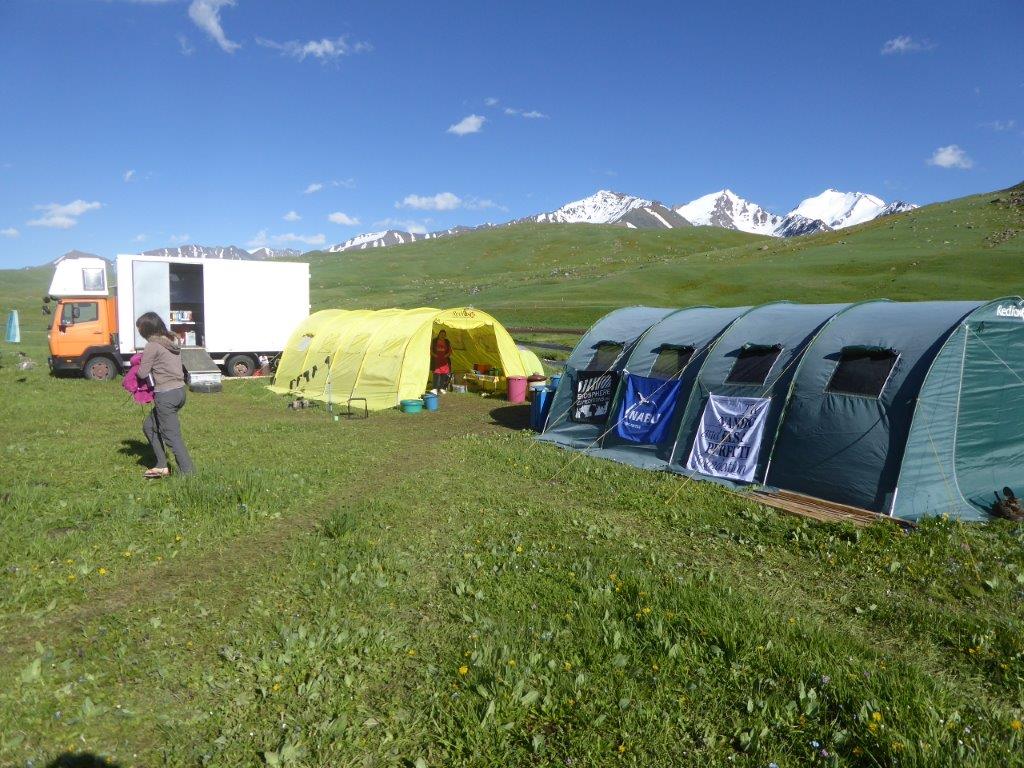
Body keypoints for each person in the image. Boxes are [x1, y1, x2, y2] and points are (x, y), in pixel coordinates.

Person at [135, 312, 195, 478]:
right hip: (179, 392)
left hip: (166, 394)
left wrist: (136, 367)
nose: (139, 332)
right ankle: (162, 465)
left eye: (139, 329)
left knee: (172, 436)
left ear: (146, 329)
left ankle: (189, 475)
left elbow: (142, 373)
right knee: (149, 426)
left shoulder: (152, 345)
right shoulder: (171, 340)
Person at [430, 329, 453, 393]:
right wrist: (434, 355)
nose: (442, 335)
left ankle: (442, 388)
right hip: (436, 359)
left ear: (445, 336)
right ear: (439, 334)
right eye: (441, 334)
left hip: (444, 360)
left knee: (443, 374)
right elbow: (431, 349)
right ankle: (434, 389)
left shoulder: (447, 341)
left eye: (444, 334)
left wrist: (446, 355)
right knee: (436, 374)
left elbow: (450, 350)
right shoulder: (434, 340)